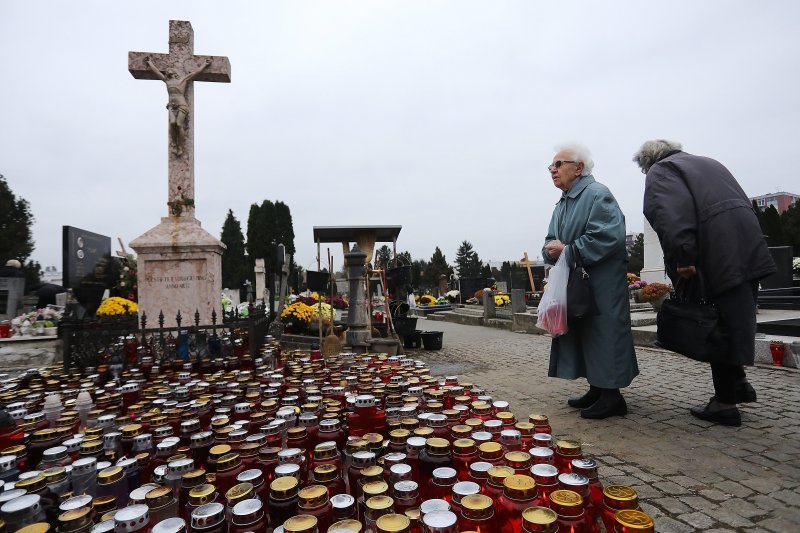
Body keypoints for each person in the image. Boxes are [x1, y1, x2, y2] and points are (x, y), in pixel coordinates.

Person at [633, 139, 776, 426]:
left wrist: (683, 257)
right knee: (733, 318)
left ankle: (724, 403)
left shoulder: (662, 171)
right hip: (746, 249)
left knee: (714, 324)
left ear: (648, 162)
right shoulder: (708, 163)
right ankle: (738, 384)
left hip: (714, 254)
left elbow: (671, 214)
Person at [542, 144, 639, 419]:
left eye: (559, 164)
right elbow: (551, 238)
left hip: (601, 285)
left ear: (579, 167)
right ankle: (597, 388)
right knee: (584, 333)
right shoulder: (563, 202)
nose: (553, 169)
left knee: (604, 334)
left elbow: (608, 236)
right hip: (577, 283)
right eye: (551, 165)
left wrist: (568, 250)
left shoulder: (598, 194)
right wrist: (550, 250)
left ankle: (612, 397)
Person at [144, 56, 212, 156]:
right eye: (167, 70)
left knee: (179, 124)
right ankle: (175, 145)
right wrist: (149, 63)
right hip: (171, 106)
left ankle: (180, 146)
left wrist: (204, 64)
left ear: (174, 73)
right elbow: (157, 72)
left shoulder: (183, 80)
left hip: (182, 105)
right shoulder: (167, 81)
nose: (168, 71)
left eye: (170, 69)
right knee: (172, 123)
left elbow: (195, 73)